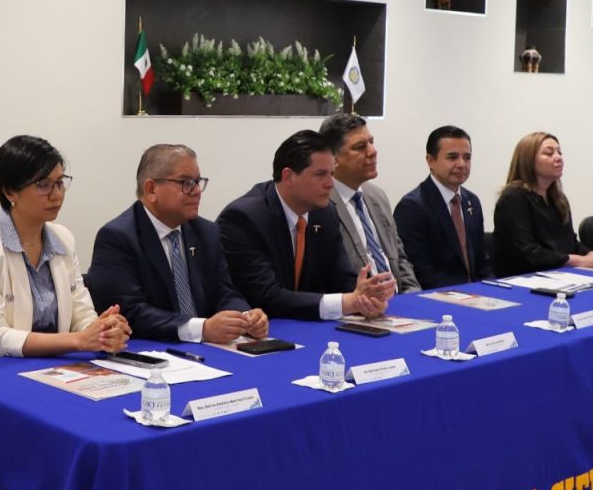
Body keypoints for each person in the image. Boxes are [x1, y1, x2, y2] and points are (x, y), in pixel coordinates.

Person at [0, 135, 130, 362]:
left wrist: (102, 331)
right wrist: (78, 340)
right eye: (43, 185)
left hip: (49, 368)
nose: (57, 194)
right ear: (10, 192)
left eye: (60, 183)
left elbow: (81, 315)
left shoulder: (63, 238)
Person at [86, 144, 268, 344]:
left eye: (198, 182)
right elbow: (129, 312)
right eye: (186, 183)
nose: (197, 191)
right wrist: (201, 329)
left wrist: (245, 317)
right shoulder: (117, 237)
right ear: (151, 189)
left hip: (206, 349)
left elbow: (224, 292)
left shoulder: (206, 232)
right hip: (152, 349)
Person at [217, 130, 395, 321]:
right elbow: (266, 296)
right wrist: (346, 303)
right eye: (321, 174)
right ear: (288, 177)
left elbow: (341, 279)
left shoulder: (325, 213)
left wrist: (367, 299)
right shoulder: (244, 218)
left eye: (332, 174)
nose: (330, 184)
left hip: (303, 323)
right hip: (260, 327)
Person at [493, 132, 593, 276]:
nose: (558, 158)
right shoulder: (513, 199)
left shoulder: (558, 199)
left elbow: (570, 244)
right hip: (524, 279)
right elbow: (528, 254)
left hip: (559, 276)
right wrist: (582, 261)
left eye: (559, 152)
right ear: (528, 160)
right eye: (549, 153)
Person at [318, 114, 420, 293]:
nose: (372, 151)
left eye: (371, 142)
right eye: (360, 147)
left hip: (400, 299)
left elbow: (400, 259)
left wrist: (413, 294)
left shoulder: (377, 196)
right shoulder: (321, 204)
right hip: (359, 303)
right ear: (334, 158)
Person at [394, 125, 494, 289]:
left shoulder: (472, 201)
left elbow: (482, 262)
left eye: (467, 157)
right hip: (439, 295)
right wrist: (468, 294)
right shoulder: (412, 207)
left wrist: (493, 288)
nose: (461, 164)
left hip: (476, 293)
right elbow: (420, 271)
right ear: (431, 161)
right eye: (452, 157)